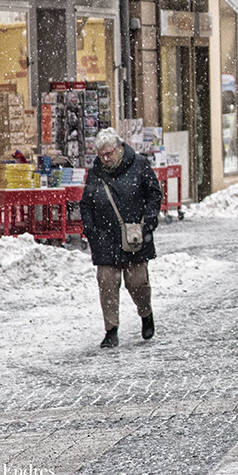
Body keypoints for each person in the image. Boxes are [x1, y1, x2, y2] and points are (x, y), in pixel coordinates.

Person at [80, 128, 162, 348]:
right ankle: (111, 330)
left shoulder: (139, 164)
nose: (105, 159)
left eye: (109, 154)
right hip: (104, 237)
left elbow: (154, 193)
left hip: (135, 234)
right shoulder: (96, 172)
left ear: (119, 148)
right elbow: (86, 203)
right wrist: (90, 229)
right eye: (101, 156)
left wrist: (149, 221)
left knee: (137, 282)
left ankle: (146, 314)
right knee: (107, 284)